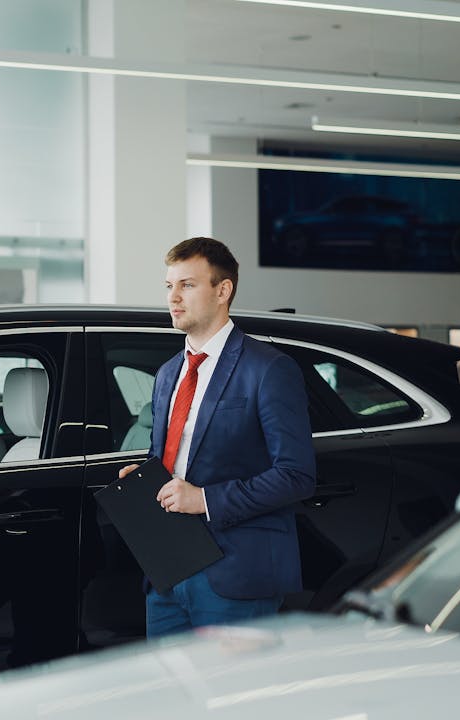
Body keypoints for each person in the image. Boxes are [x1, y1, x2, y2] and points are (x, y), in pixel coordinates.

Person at [118, 237, 316, 638]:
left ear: (223, 290)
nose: (173, 297)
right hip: (170, 569)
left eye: (187, 285)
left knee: (233, 698)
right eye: (169, 286)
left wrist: (204, 499)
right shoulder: (168, 374)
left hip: (235, 574)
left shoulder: (269, 369)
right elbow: (173, 458)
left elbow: (296, 475)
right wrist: (147, 477)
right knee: (173, 696)